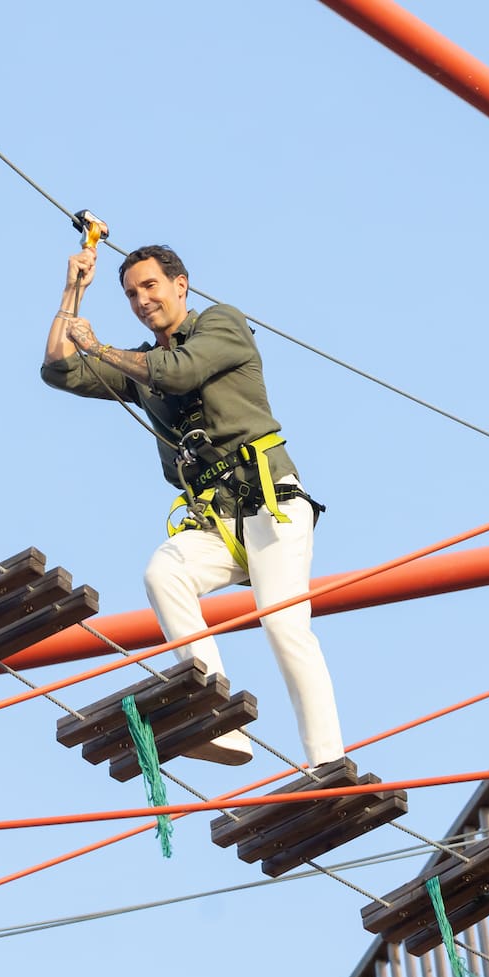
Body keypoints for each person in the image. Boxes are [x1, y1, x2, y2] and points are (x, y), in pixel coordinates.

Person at [39, 242, 343, 768]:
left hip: (270, 504)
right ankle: (215, 715)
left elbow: (179, 371)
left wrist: (104, 350)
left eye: (150, 286)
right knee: (164, 574)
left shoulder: (223, 323)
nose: (141, 300)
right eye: (132, 293)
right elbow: (59, 370)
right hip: (217, 521)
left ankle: (326, 760)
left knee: (284, 624)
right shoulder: (142, 365)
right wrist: (74, 291)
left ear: (182, 284)